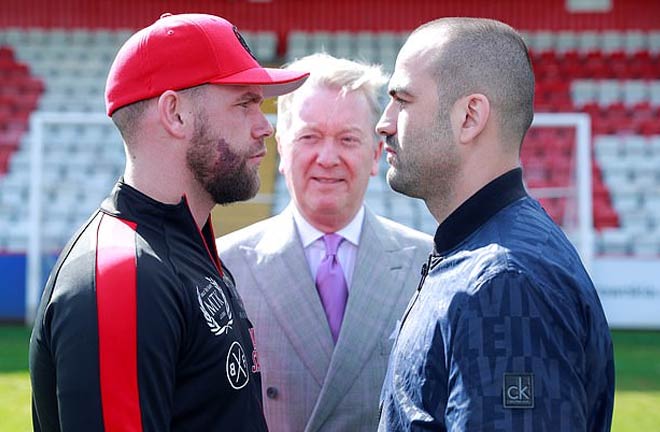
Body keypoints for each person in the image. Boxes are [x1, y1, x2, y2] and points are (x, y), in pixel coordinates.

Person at [28, 13, 308, 432]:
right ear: (174, 113)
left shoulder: (186, 246)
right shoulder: (122, 273)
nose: (264, 126)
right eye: (245, 102)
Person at [375, 18, 614, 431]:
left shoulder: (503, 283)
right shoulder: (478, 256)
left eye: (403, 100)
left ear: (470, 117)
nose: (385, 122)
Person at [216, 53, 433, 432]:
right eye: (310, 137)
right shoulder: (224, 266)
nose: (328, 158)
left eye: (347, 139)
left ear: (376, 154)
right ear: (282, 149)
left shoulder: (428, 264)